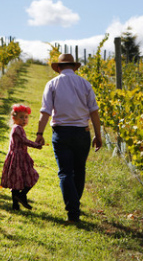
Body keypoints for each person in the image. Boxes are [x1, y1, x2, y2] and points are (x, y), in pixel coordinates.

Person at [36, 53, 102, 223]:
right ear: (74, 67)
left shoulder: (52, 84)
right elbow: (94, 111)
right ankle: (75, 204)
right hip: (82, 133)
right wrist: (98, 135)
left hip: (62, 133)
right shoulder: (85, 84)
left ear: (58, 68)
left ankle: (73, 212)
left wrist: (40, 134)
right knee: (79, 170)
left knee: (65, 172)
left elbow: (45, 112)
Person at [0, 104, 42, 210]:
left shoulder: (18, 128)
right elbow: (24, 141)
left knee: (17, 181)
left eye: (26, 117)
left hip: (18, 157)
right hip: (18, 158)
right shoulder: (17, 128)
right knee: (33, 176)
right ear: (14, 118)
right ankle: (22, 195)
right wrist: (36, 145)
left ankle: (16, 204)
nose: (24, 119)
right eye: (21, 117)